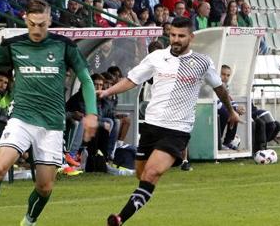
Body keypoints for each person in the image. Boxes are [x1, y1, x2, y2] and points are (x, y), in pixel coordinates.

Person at [0, 0, 98, 226]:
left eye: (42, 24)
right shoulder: (14, 45)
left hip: (51, 125)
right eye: (32, 24)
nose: (37, 29)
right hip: (21, 118)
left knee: (44, 187)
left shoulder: (64, 46)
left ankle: (28, 221)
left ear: (49, 21)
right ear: (25, 20)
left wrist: (92, 113)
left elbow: (86, 80)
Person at [99, 17, 239, 226]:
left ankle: (120, 218)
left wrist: (231, 111)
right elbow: (132, 79)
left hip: (177, 130)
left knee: (151, 173)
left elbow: (220, 88)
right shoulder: (157, 57)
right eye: (173, 35)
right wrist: (107, 92)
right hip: (152, 127)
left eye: (181, 36)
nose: (175, 39)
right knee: (142, 175)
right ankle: (143, 194)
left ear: (191, 37)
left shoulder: (202, 62)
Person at [217, 65, 246, 150]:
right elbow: (215, 102)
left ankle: (228, 141)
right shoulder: (214, 84)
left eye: (228, 75)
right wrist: (233, 109)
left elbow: (229, 100)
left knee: (234, 113)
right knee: (226, 112)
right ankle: (218, 142)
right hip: (210, 109)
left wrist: (237, 107)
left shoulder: (226, 86)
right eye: (223, 74)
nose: (225, 77)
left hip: (220, 108)